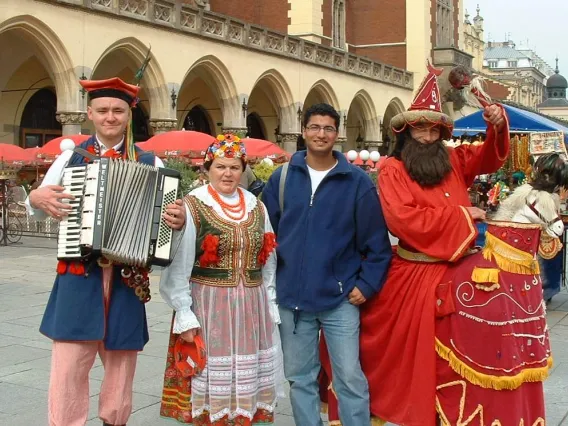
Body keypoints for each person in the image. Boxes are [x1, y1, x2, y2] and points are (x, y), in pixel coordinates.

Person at [25, 77, 186, 426]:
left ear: (129, 116)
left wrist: (177, 217)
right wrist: (35, 197)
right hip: (79, 276)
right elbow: (36, 205)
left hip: (128, 279)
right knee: (68, 367)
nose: (109, 117)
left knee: (121, 370)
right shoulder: (71, 158)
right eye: (102, 111)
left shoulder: (149, 162)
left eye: (117, 111)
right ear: (89, 114)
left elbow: (170, 217)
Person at [358, 64, 510, 426]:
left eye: (433, 129)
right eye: (419, 128)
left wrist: (497, 124)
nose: (427, 136)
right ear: (406, 131)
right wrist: (463, 215)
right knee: (418, 357)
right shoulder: (393, 169)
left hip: (462, 268)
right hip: (416, 275)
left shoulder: (454, 160)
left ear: (443, 131)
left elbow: (490, 156)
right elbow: (401, 218)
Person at [262, 103, 392, 426]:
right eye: (315, 127)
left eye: (328, 128)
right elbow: (262, 232)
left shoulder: (357, 183)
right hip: (292, 301)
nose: (321, 134)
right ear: (303, 130)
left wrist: (366, 284)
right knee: (300, 378)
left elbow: (378, 245)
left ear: (338, 134)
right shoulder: (281, 179)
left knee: (349, 379)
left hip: (339, 300)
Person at [159, 133, 283, 425]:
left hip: (251, 306)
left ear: (243, 170)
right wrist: (184, 313)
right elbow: (180, 263)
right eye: (220, 166)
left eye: (234, 167)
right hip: (209, 305)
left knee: (246, 384)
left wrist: (270, 299)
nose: (228, 173)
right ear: (207, 168)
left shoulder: (256, 205)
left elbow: (267, 257)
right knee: (210, 376)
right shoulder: (193, 204)